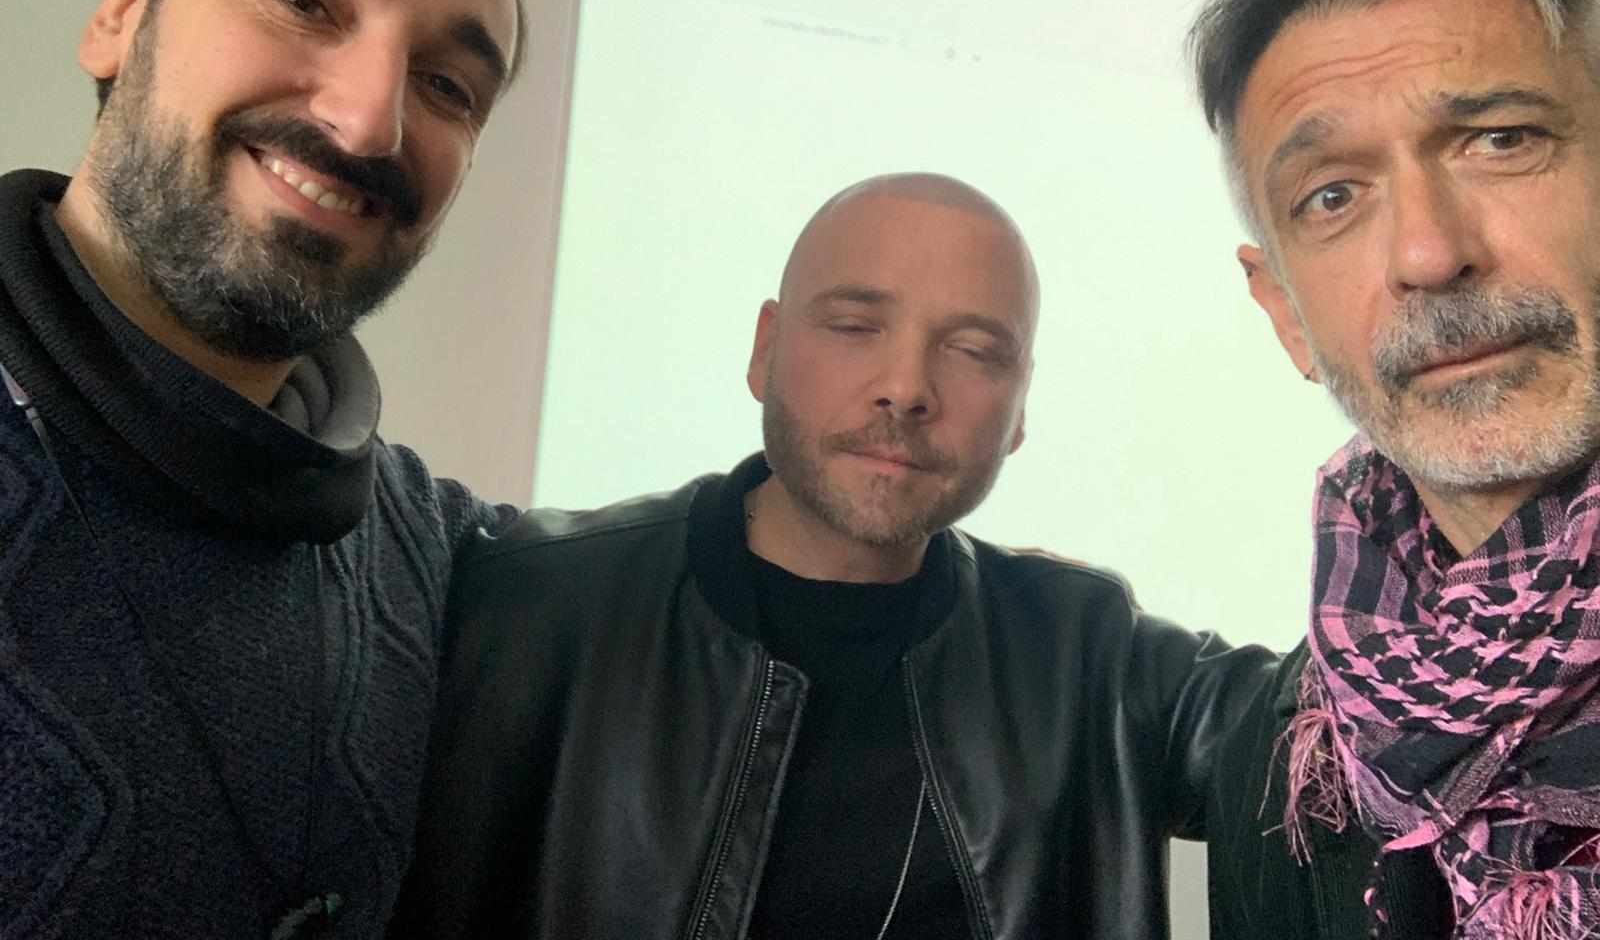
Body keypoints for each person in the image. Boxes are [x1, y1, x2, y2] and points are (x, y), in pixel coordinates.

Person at [392, 172, 1271, 940]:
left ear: (1020, 409)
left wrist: (1344, 360)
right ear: (765, 350)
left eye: (973, 351)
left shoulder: (1090, 653)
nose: (907, 387)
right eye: (855, 325)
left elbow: (1331, 733)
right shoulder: (531, 602)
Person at [0, 0, 536, 938]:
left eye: (448, 84)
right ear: (123, 10)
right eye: (304, 3)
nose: (370, 121)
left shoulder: (432, 558)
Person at [1191, 0, 1600, 939]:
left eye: (1500, 140)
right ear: (1286, 314)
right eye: (1332, 196)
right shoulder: (1283, 763)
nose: (1428, 252)